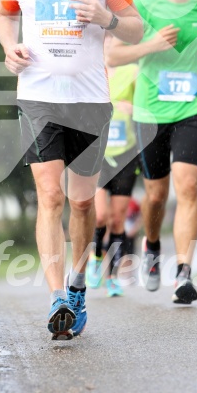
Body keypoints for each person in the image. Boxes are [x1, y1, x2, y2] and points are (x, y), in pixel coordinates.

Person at [0, 0, 143, 339]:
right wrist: (8, 47)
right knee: (50, 196)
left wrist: (108, 19)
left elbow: (137, 30)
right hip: (39, 96)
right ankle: (57, 296)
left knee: (82, 204)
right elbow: (6, 15)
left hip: (90, 102)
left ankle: (78, 285)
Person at [107, 0, 197, 304]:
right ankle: (152, 247)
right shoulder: (142, 6)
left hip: (192, 110)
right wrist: (152, 45)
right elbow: (114, 56)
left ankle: (184, 273)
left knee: (188, 187)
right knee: (157, 195)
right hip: (150, 115)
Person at [86, 33, 141, 297]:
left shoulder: (133, 71)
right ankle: (96, 259)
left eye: (116, 40)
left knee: (118, 220)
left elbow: (147, 107)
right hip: (99, 155)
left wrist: (133, 108)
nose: (110, 45)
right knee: (100, 216)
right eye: (106, 40)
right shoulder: (93, 70)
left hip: (127, 154)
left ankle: (112, 276)